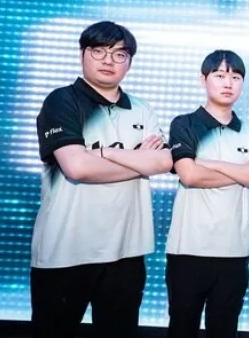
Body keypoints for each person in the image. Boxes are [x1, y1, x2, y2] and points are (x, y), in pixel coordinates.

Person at [31, 20, 172, 338]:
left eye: (119, 54)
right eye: (99, 51)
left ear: (129, 62)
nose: (109, 60)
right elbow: (77, 168)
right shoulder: (62, 101)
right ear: (82, 53)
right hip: (65, 250)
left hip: (126, 251)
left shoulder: (141, 109)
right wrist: (139, 160)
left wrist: (105, 154)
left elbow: (164, 161)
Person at [165, 50, 249, 338]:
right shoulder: (184, 124)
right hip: (188, 249)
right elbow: (189, 175)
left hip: (234, 250)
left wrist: (207, 164)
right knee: (182, 329)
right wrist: (242, 172)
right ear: (204, 80)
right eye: (220, 75)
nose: (228, 83)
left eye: (235, 77)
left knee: (224, 330)